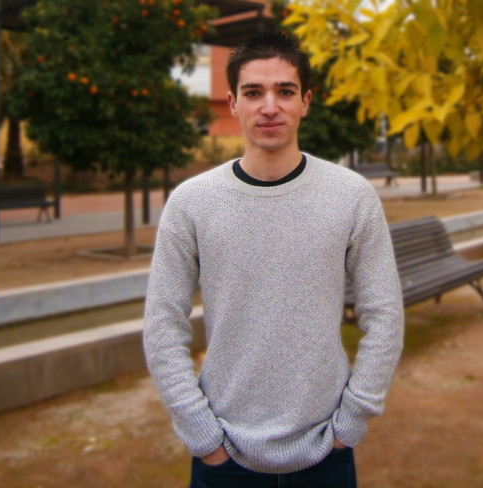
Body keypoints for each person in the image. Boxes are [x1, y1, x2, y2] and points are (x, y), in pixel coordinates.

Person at [143, 31, 404, 488]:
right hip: (224, 456)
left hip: (326, 454)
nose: (269, 106)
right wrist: (202, 436)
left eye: (284, 91)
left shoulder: (352, 196)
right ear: (232, 103)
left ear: (305, 102)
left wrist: (350, 423)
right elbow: (162, 325)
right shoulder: (191, 202)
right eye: (253, 92)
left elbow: (384, 314)